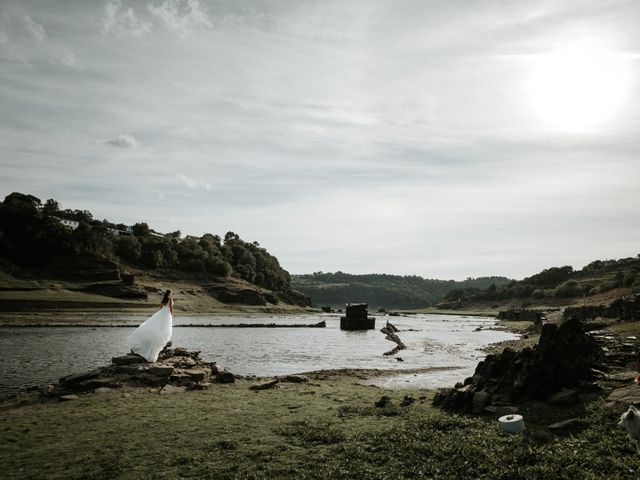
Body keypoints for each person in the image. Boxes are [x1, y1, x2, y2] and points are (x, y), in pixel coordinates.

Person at [128, 290, 174, 362]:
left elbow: (161, 306)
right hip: (167, 314)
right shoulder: (170, 298)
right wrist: (171, 314)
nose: (171, 294)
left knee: (159, 325)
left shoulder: (164, 299)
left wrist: (162, 312)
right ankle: (161, 337)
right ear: (169, 294)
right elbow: (171, 307)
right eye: (171, 293)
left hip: (162, 313)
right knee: (165, 327)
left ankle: (158, 335)